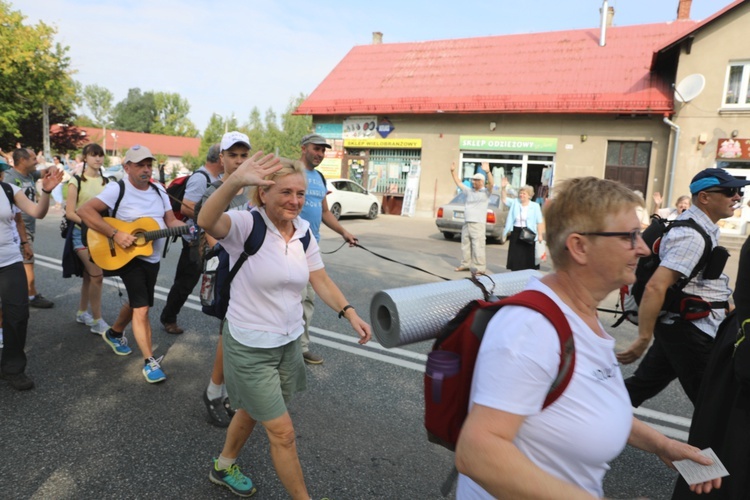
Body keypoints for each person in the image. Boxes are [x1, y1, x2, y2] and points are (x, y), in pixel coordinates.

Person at [455, 176, 721, 499]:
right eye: (629, 236)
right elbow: (477, 452)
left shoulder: (582, 313)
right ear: (579, 246)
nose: (642, 247)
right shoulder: (530, 329)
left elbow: (590, 403)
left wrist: (662, 445)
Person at [199, 152, 371, 498]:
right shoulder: (247, 225)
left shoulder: (304, 231)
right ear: (263, 193)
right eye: (285, 192)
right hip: (250, 346)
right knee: (283, 432)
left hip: (288, 342)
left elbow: (319, 279)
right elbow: (206, 219)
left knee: (250, 408)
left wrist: (349, 311)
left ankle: (223, 465)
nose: (295, 201)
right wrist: (233, 181)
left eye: (300, 194)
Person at [617, 168, 747, 406]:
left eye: (738, 191)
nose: (737, 197)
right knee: (714, 405)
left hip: (681, 327)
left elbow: (694, 282)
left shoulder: (701, 228)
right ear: (705, 197)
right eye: (730, 192)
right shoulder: (691, 236)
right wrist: (644, 337)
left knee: (641, 386)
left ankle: (586, 416)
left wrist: (723, 305)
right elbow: (656, 286)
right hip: (691, 332)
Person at [78, 145, 188, 384]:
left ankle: (115, 332)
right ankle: (150, 362)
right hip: (128, 256)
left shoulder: (159, 189)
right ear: (127, 167)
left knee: (141, 301)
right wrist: (116, 234)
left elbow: (169, 220)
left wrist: (187, 230)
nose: (146, 170)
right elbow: (84, 211)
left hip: (151, 256)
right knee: (143, 308)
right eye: (140, 165)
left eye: (149, 165)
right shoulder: (117, 188)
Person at [672, 236, 750, 499]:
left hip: (735, 344)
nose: (736, 197)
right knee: (718, 444)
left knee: (714, 435)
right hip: (741, 352)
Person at [195, 132, 251, 427]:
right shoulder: (215, 191)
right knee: (228, 332)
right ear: (222, 159)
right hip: (228, 272)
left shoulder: (254, 190)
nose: (239, 161)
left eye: (244, 155)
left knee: (240, 332)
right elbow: (209, 230)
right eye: (233, 155)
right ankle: (214, 391)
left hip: (253, 273)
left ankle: (228, 390)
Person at [1, 160, 63, 390]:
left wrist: (46, 191)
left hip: (9, 261)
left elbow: (37, 212)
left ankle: (12, 368)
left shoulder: (8, 190)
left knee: (17, 314)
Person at [297, 133, 358, 365]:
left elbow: (324, 212)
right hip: (289, 247)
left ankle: (300, 348)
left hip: (311, 248)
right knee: (295, 297)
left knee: (308, 299)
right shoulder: (292, 172)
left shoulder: (320, 178)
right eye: (316, 149)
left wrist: (344, 232)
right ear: (303, 148)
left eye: (323, 151)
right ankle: (285, 348)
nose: (320, 154)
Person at [159, 143, 223, 334]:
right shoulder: (200, 178)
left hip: (211, 236)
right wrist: (209, 218)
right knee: (185, 283)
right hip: (196, 240)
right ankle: (168, 318)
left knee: (218, 278)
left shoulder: (217, 178)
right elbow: (187, 207)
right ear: (220, 158)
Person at [63, 143, 110, 334]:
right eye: (93, 155)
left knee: (88, 277)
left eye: (100, 155)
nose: (98, 159)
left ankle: (82, 312)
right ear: (85, 158)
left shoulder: (107, 181)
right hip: (79, 235)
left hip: (100, 236)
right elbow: (70, 213)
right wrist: (90, 224)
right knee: (97, 275)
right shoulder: (76, 181)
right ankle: (98, 320)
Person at [5, 148, 54, 309]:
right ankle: (30, 295)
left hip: (29, 225)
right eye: (33, 159)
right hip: (18, 227)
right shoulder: (10, 178)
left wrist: (52, 170)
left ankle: (25, 294)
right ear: (22, 161)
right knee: (27, 261)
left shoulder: (30, 174)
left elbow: (45, 171)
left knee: (25, 261)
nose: (37, 161)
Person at [451, 162, 493, 273]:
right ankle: (465, 264)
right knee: (465, 245)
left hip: (478, 224)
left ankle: (480, 268)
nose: (473, 182)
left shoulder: (486, 192)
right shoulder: (469, 191)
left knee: (478, 246)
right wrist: (452, 171)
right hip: (467, 223)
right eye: (473, 180)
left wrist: (488, 172)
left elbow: (492, 184)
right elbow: (459, 183)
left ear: (481, 182)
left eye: (476, 180)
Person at [501, 180, 544, 271]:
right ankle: (516, 271)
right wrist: (503, 188)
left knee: (527, 255)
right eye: (521, 193)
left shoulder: (535, 206)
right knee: (516, 254)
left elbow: (539, 221)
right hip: (516, 231)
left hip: (529, 232)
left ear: (529, 195)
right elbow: (504, 199)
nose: (521, 195)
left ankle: (527, 272)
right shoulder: (515, 203)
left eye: (524, 193)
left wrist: (540, 235)